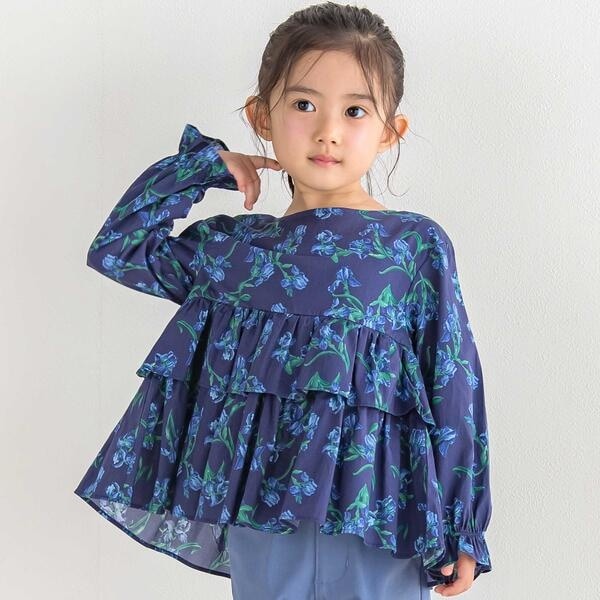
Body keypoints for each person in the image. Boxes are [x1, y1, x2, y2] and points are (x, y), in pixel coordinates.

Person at [73, 2, 492, 598]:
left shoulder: (411, 247)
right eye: (303, 104)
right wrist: (203, 168)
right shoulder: (234, 252)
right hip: (262, 521)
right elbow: (121, 248)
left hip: (377, 521)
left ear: (389, 131)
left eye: (355, 111)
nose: (328, 131)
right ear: (260, 116)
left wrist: (463, 526)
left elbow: (453, 384)